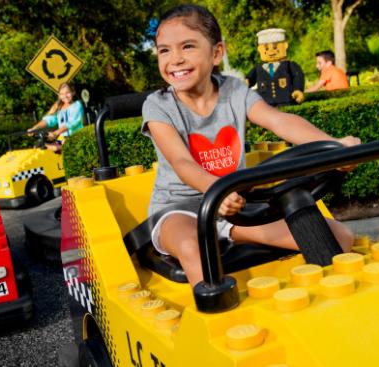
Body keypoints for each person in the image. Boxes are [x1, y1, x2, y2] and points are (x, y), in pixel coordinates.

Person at [142, 4, 361, 287]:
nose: (175, 59)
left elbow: (280, 121)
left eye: (187, 47)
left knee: (339, 236)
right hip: (179, 210)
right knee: (194, 248)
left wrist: (334, 146)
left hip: (238, 208)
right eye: (164, 50)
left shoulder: (234, 90)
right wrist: (214, 188)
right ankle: (219, 323)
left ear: (216, 52)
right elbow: (181, 163)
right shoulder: (158, 106)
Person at [28, 82, 84, 151]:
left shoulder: (77, 105)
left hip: (75, 137)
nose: (65, 96)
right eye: (62, 94)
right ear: (59, 95)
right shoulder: (59, 108)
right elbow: (49, 120)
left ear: (73, 92)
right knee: (41, 147)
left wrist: (55, 133)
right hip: (62, 138)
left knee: (55, 148)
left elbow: (71, 123)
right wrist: (34, 128)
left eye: (68, 92)